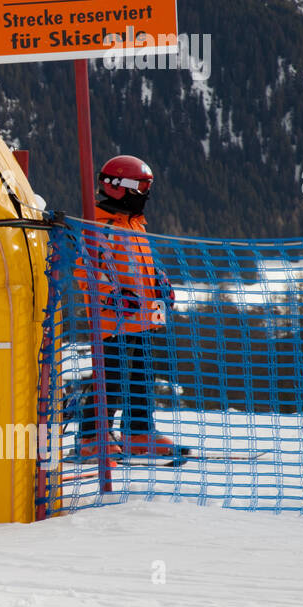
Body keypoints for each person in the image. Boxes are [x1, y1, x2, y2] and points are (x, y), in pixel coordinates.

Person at [74, 155, 180, 458]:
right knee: (111, 379)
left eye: (148, 187)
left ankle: (139, 433)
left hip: (144, 319)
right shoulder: (100, 224)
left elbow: (142, 266)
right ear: (120, 187)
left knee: (141, 377)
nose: (146, 194)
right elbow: (87, 269)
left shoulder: (134, 224)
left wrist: (160, 283)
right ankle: (92, 438)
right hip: (115, 321)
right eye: (141, 187)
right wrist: (111, 297)